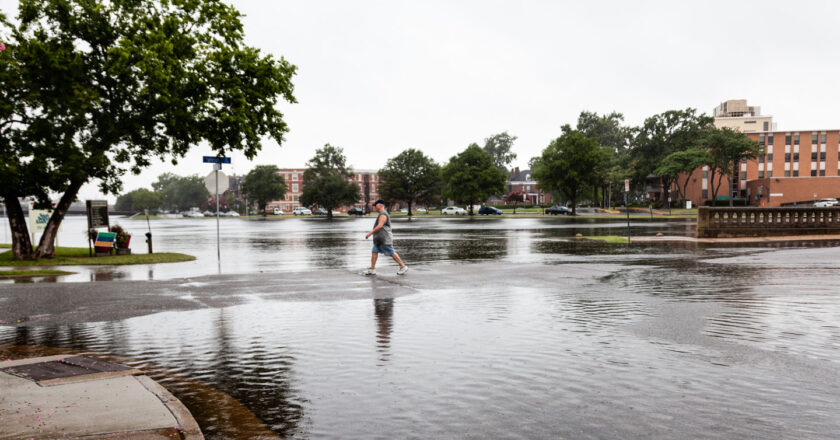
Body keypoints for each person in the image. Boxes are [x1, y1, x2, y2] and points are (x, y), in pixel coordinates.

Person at [363, 199, 408, 275]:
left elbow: (380, 225)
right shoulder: (381, 213)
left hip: (384, 238)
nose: (375, 207)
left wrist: (370, 233)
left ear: (380, 205)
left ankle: (403, 266)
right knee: (374, 251)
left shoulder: (383, 214)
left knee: (391, 252)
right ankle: (372, 269)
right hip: (379, 239)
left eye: (376, 206)